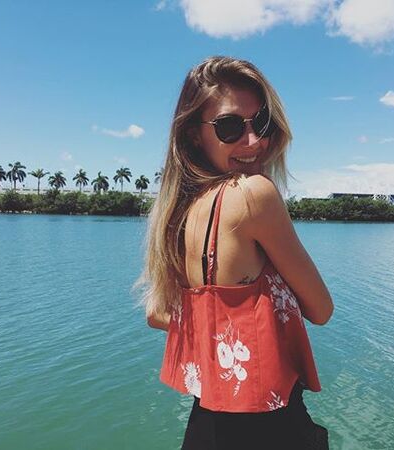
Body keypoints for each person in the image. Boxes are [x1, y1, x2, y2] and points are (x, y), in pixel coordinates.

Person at [138, 56, 334, 450]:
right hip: (270, 428)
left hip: (206, 424)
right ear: (194, 134)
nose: (254, 141)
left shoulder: (179, 212)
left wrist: (223, 325)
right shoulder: (253, 195)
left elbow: (157, 314)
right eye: (229, 127)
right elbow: (321, 309)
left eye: (261, 123)